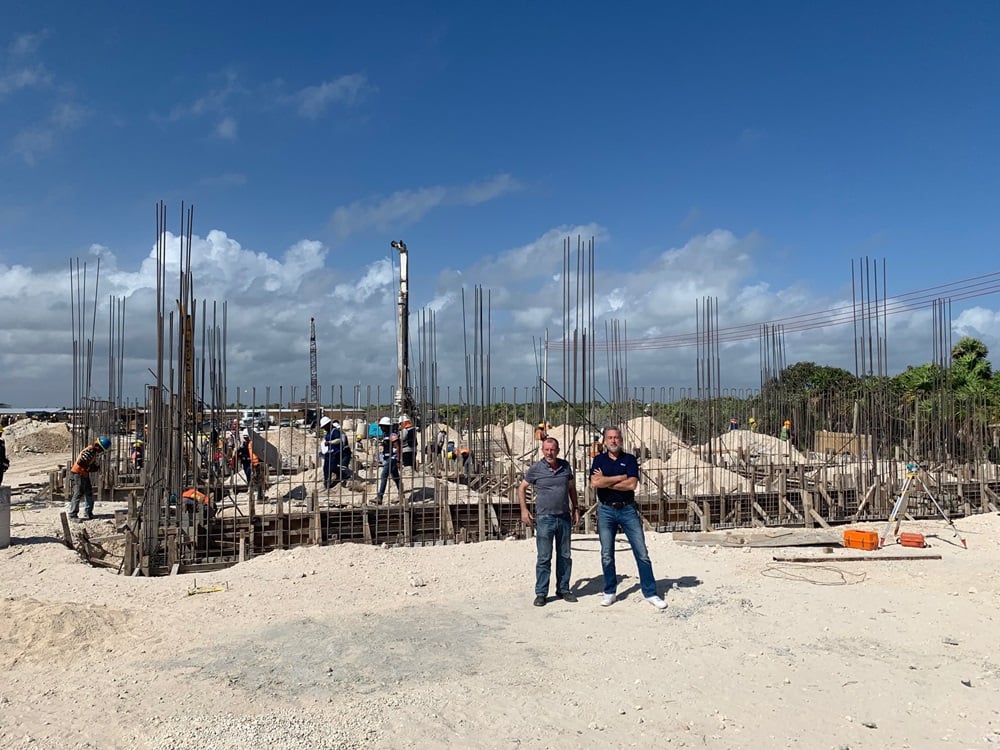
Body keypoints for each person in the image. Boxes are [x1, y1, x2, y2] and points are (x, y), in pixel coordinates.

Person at [590, 426, 667, 610]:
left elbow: (632, 485)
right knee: (607, 554)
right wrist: (619, 477)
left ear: (621, 439)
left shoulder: (630, 459)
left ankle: (650, 592)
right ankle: (610, 591)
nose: (613, 441)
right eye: (610, 438)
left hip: (627, 510)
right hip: (606, 510)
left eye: (616, 437)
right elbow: (594, 483)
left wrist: (606, 481)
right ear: (605, 440)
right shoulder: (598, 460)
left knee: (642, 552)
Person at [518, 437, 580, 607]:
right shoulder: (536, 469)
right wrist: (524, 510)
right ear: (542, 450)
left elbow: (571, 488)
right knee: (544, 557)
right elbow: (521, 488)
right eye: (546, 449)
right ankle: (541, 593)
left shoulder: (565, 466)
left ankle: (563, 589)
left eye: (552, 450)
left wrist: (576, 508)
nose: (549, 453)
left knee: (565, 556)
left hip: (564, 517)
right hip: (545, 518)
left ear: (557, 450)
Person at [68, 436, 111, 521]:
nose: (101, 451)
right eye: (101, 449)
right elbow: (81, 462)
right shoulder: (90, 450)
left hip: (83, 474)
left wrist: (92, 466)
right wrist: (89, 468)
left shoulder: (93, 452)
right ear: (97, 446)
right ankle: (72, 515)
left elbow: (87, 462)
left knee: (89, 493)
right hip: (78, 473)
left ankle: (88, 512)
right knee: (78, 493)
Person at [376, 428, 403, 504]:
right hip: (389, 459)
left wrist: (398, 460)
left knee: (384, 475)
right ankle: (401, 494)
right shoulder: (386, 435)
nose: (381, 428)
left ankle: (380, 497)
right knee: (396, 478)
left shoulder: (393, 435)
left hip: (392, 459)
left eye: (382, 426)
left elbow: (398, 447)